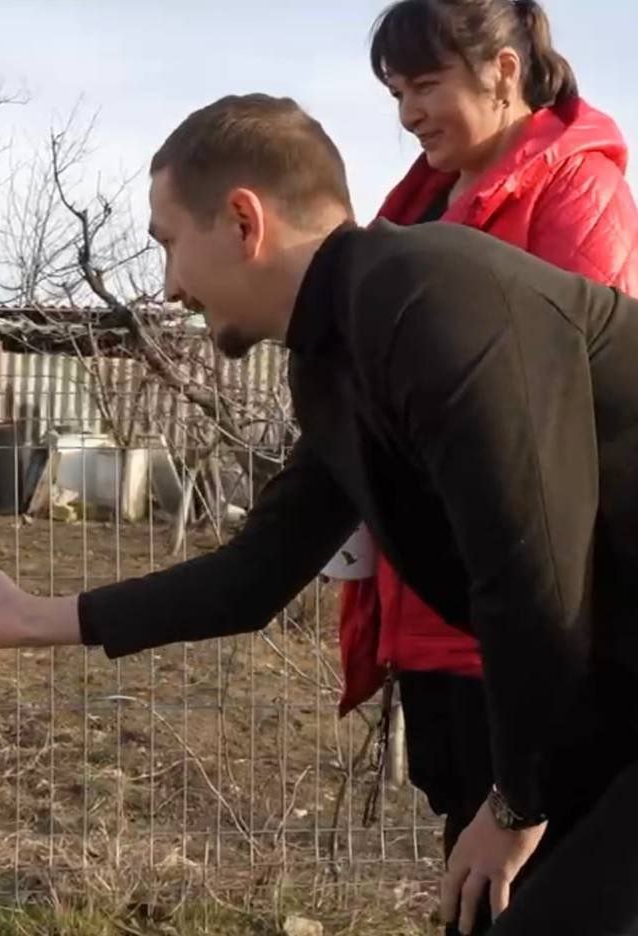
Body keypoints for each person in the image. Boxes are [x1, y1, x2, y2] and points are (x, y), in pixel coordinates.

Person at [0, 93, 638, 936]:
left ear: (244, 219)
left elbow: (529, 574)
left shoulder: (433, 292)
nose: (168, 285)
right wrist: (40, 618)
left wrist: (515, 800)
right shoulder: (335, 361)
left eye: (169, 243)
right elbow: (255, 576)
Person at [334, 5, 638, 930]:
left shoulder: (577, 196)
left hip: (523, 622)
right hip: (434, 608)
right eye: (396, 92)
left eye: (426, 86)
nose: (408, 113)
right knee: (468, 873)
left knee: (538, 882)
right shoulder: (417, 207)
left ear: (503, 69)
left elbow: (556, 428)